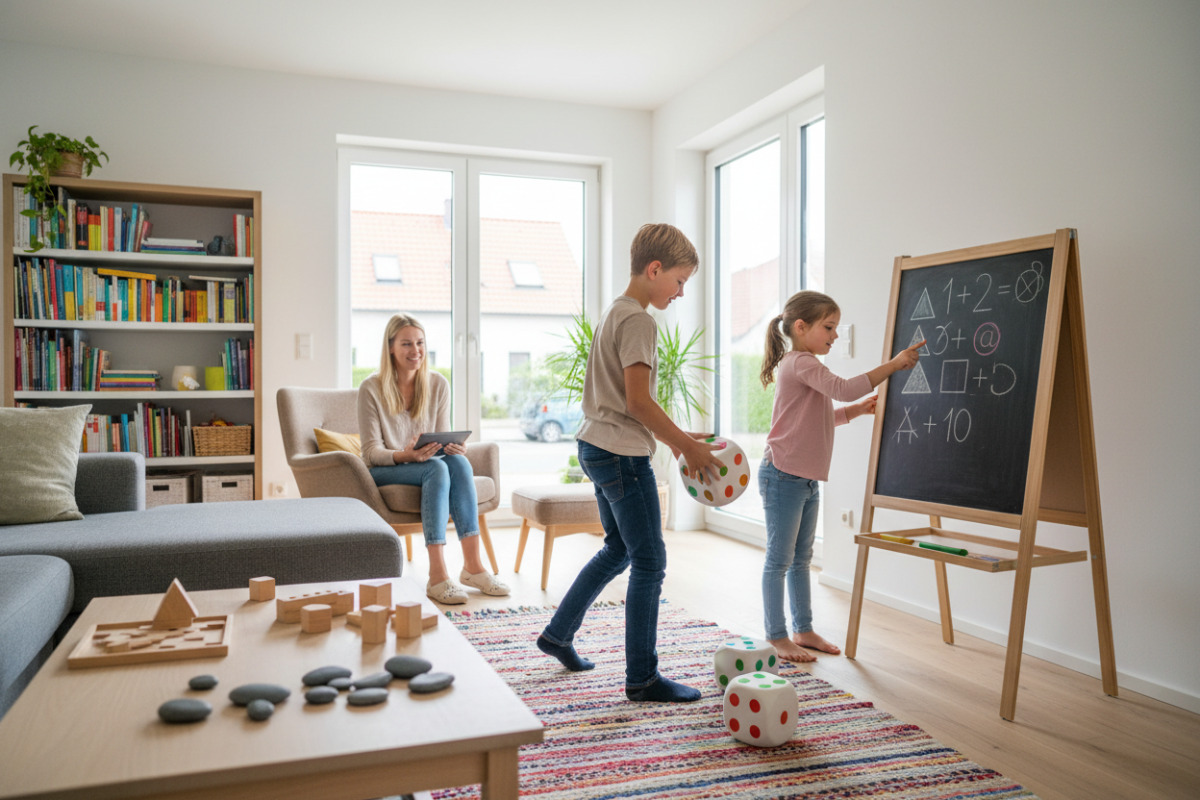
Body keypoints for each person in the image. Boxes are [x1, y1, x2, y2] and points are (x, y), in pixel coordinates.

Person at [536, 223, 724, 704]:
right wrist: (684, 444)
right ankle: (642, 678)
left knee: (618, 550)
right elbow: (639, 404)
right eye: (680, 281)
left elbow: (625, 400)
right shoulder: (640, 320)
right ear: (655, 269)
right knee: (650, 561)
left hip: (596, 445)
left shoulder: (614, 312)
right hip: (621, 455)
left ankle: (558, 635)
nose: (681, 293)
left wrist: (682, 437)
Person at [757, 290, 924, 661]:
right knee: (779, 560)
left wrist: (855, 411)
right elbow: (844, 387)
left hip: (802, 479)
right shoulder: (802, 363)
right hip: (783, 477)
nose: (834, 335)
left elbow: (816, 419)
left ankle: (803, 630)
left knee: (801, 558)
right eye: (828, 327)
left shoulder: (802, 365)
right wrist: (893, 365)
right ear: (801, 328)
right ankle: (777, 636)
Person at [358, 313, 510, 605]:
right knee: (437, 470)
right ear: (390, 347)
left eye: (420, 343)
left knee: (457, 463)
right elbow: (371, 453)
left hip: (424, 462)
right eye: (406, 344)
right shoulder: (371, 388)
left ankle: (473, 567)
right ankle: (438, 575)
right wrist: (407, 455)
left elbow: (440, 437)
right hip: (384, 469)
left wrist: (452, 447)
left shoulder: (437, 384)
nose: (415, 350)